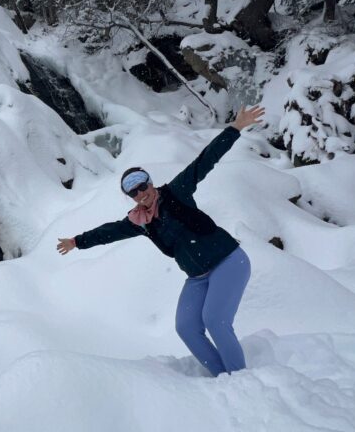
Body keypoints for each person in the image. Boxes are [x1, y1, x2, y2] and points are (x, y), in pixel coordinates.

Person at [56, 104, 265, 377]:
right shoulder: (141, 221)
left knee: (216, 321)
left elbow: (205, 161)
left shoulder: (177, 192)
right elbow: (109, 232)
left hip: (228, 262)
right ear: (130, 197)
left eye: (143, 185)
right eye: (133, 192)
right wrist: (77, 241)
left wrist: (235, 128)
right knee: (187, 328)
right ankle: (222, 377)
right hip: (198, 277)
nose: (141, 193)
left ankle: (240, 379)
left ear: (151, 183)